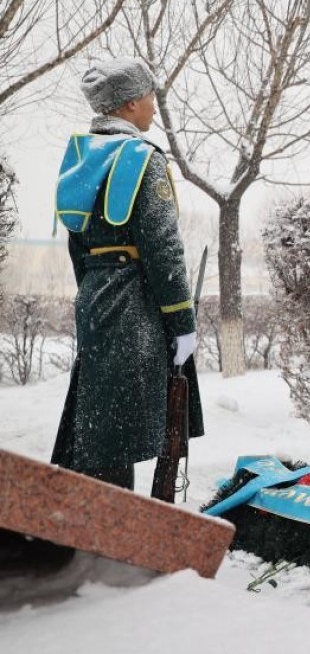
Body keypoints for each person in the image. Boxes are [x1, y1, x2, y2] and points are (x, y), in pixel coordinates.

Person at [51, 57, 203, 491]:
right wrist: (182, 320)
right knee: (134, 429)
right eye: (150, 97)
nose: (154, 107)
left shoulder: (81, 160)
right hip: (137, 306)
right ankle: (120, 525)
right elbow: (164, 250)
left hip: (97, 301)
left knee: (103, 425)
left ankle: (98, 511)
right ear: (132, 103)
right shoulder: (142, 159)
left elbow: (77, 245)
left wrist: (96, 292)